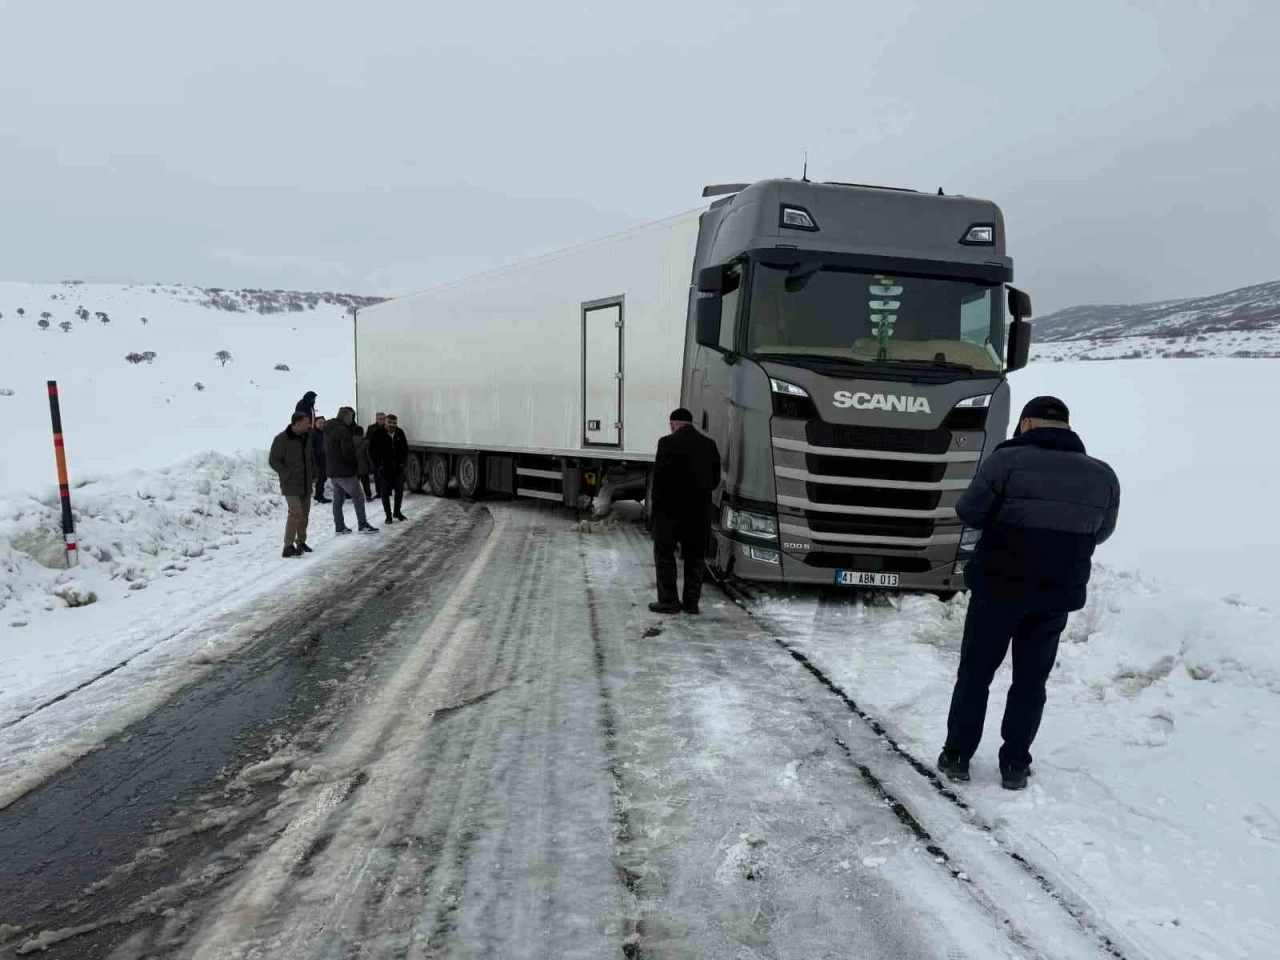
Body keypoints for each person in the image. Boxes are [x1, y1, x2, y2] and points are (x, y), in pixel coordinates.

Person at [939, 396, 1120, 790]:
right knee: (1030, 681)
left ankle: (957, 756)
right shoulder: (1103, 475)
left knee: (975, 674)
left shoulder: (1006, 462)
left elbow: (969, 512)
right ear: (1068, 427)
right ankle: (1015, 764)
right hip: (1055, 596)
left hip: (997, 588)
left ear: (1025, 424)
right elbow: (1101, 532)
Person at [649, 407, 721, 616]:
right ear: (691, 424)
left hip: (669, 513)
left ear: (673, 425)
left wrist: (655, 511)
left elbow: (659, 481)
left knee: (664, 555)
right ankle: (691, 603)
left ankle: (669, 601)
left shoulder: (666, 443)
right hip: (698, 513)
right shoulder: (709, 445)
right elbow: (715, 481)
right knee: (695, 558)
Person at [268, 412, 317, 558]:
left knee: (304, 515)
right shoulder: (281, 439)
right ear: (297, 424)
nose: (309, 424)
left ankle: (301, 542)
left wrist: (314, 473)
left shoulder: (307, 437)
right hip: (291, 484)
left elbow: (311, 457)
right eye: (306, 422)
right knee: (295, 513)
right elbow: (273, 460)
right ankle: (288, 546)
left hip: (306, 483)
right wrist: (286, 473)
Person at [324, 407, 378, 534]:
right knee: (358, 496)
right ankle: (362, 524)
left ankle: (339, 526)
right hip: (345, 472)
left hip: (333, 470)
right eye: (351, 417)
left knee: (338, 499)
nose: (352, 420)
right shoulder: (343, 431)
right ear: (346, 417)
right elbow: (347, 452)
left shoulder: (328, 429)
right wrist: (354, 465)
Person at [371, 413, 409, 523]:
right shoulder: (378, 434)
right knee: (385, 493)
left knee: (399, 491)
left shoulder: (400, 432)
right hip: (384, 469)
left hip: (398, 468)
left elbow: (405, 448)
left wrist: (402, 462)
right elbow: (372, 451)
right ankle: (388, 515)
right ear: (385, 422)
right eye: (390, 422)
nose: (392, 425)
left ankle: (397, 511)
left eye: (394, 423)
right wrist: (378, 464)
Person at [367, 412, 387, 497]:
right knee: (377, 474)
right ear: (376, 419)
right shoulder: (371, 428)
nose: (382, 420)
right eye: (380, 418)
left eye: (383, 418)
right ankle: (379, 492)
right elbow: (368, 440)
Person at [311, 415, 330, 503]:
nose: (322, 425)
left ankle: (319, 495)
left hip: (324, 460)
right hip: (316, 461)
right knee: (320, 479)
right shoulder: (313, 434)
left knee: (323, 478)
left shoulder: (325, 433)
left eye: (323, 423)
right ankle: (318, 496)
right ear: (315, 424)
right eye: (319, 423)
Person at [353, 420, 374, 499]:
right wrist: (371, 465)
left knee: (354, 482)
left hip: (353, 465)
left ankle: (353, 495)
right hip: (363, 465)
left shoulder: (349, 441)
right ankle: (368, 496)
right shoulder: (365, 442)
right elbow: (368, 455)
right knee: (365, 482)